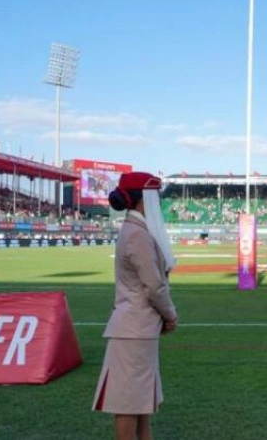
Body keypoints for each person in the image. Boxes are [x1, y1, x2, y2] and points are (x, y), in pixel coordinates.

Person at [92, 172, 180, 440]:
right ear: (145, 199)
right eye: (156, 197)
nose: (159, 204)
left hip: (137, 329)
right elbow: (154, 286)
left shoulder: (135, 231)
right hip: (135, 330)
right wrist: (171, 315)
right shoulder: (137, 235)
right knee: (130, 406)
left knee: (140, 405)